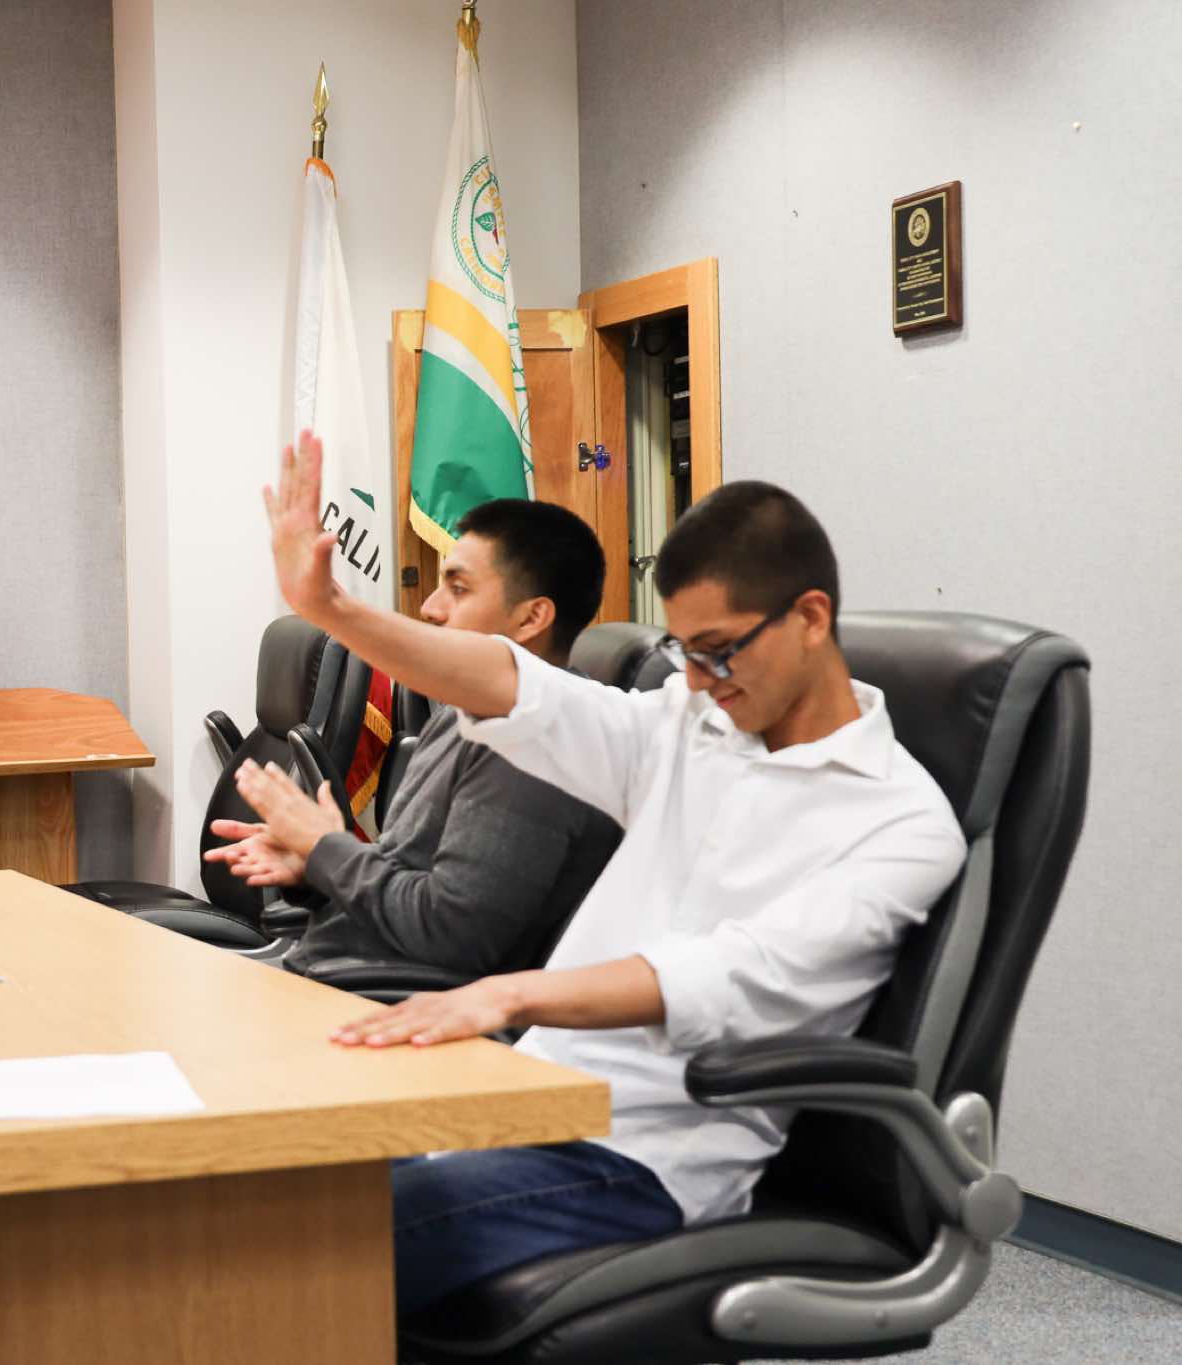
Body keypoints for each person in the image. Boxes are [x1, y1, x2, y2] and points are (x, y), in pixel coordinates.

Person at [262, 434, 965, 1314]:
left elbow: (734, 974)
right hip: (528, 1101)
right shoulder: (692, 725)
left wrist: (512, 995)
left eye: (720, 651)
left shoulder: (901, 821)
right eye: (684, 652)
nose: (699, 682)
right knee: (257, 1188)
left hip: (646, 1159)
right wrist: (331, 608)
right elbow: (519, 686)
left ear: (812, 618)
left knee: (302, 1253)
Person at [203, 498, 621, 980]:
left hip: (381, 1001)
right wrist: (314, 868)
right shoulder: (462, 710)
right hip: (332, 972)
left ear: (531, 619)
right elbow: (401, 877)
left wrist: (326, 848)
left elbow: (452, 938)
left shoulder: (538, 741)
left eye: (458, 589)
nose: (429, 607)